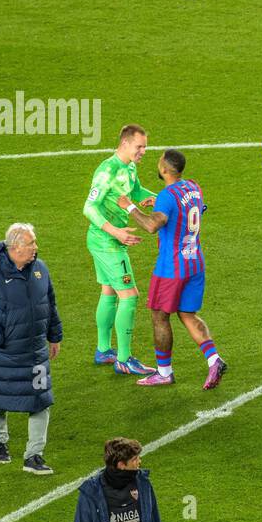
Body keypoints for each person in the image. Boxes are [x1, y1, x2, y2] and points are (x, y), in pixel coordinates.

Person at [119, 149, 227, 389]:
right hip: (195, 263)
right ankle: (214, 360)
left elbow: (151, 225)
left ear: (165, 169)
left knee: (159, 314)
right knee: (187, 314)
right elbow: (194, 208)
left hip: (172, 267)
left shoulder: (168, 196)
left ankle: (164, 372)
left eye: (159, 162)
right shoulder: (193, 187)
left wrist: (129, 207)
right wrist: (160, 202)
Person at [0, 222, 62, 475]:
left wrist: (55, 335)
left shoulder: (40, 269)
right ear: (16, 247)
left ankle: (34, 455)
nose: (36, 248)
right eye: (31, 243)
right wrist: (0, 336)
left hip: (35, 350)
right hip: (4, 351)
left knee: (41, 401)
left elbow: (50, 303)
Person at [83, 124, 156, 376]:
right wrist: (116, 232)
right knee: (130, 295)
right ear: (125, 143)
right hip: (107, 242)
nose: (143, 151)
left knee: (109, 291)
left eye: (145, 146)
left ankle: (103, 350)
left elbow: (135, 191)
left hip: (104, 241)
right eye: (140, 146)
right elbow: (89, 208)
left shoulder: (129, 167)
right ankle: (124, 359)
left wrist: (159, 197)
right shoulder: (107, 171)